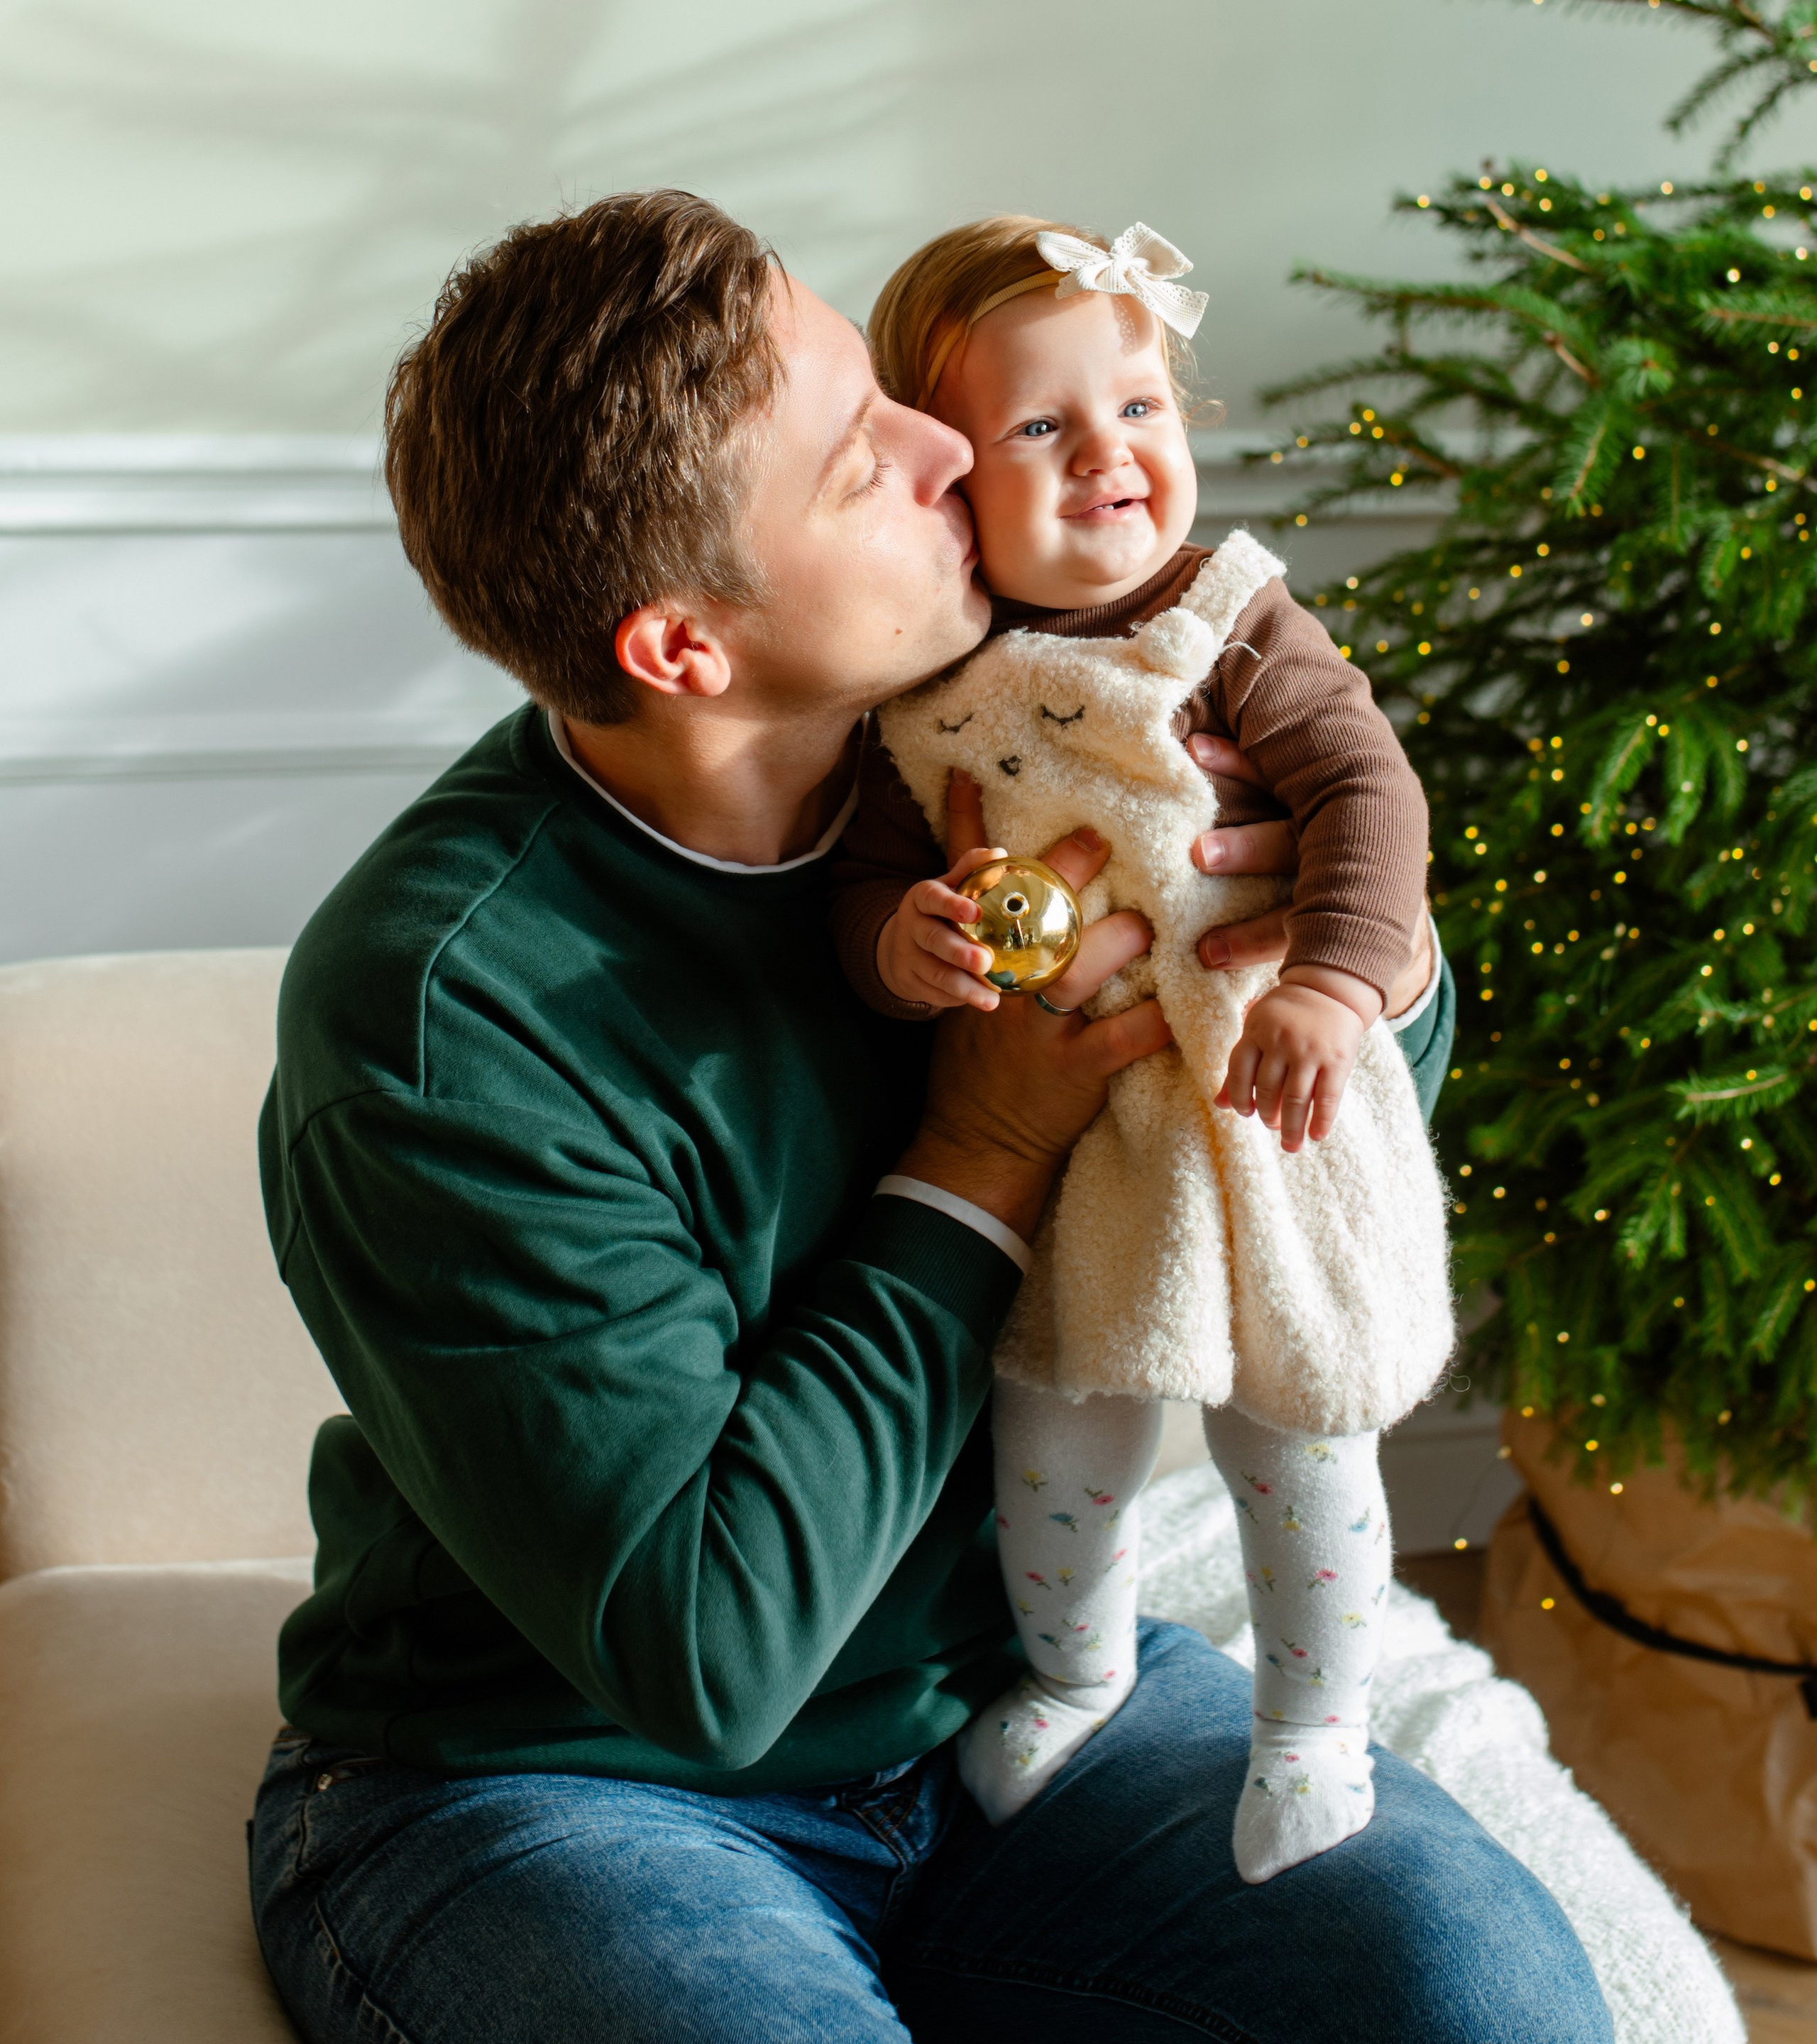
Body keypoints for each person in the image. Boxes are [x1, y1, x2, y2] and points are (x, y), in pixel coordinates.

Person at [249, 188, 1611, 2042]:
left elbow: (1270, 1167)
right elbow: (705, 1649)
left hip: (1001, 1698)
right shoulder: (449, 1014)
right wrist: (978, 1153)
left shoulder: (1029, 743)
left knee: (1491, 1998)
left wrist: (1323, 957)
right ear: (680, 647)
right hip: (564, 1777)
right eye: (854, 459)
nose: (942, 442)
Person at [831, 214, 1449, 1882]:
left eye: (1141, 408)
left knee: (1297, 1422)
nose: (1112, 454)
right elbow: (875, 880)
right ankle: (1074, 1670)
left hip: (1265, 1096)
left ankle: (1315, 1724)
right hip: (1081, 1138)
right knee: (1056, 1417)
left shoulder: (1233, 619)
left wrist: (1336, 979)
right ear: (946, 476)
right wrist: (905, 946)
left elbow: (1363, 795)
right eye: (1042, 427)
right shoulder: (925, 685)